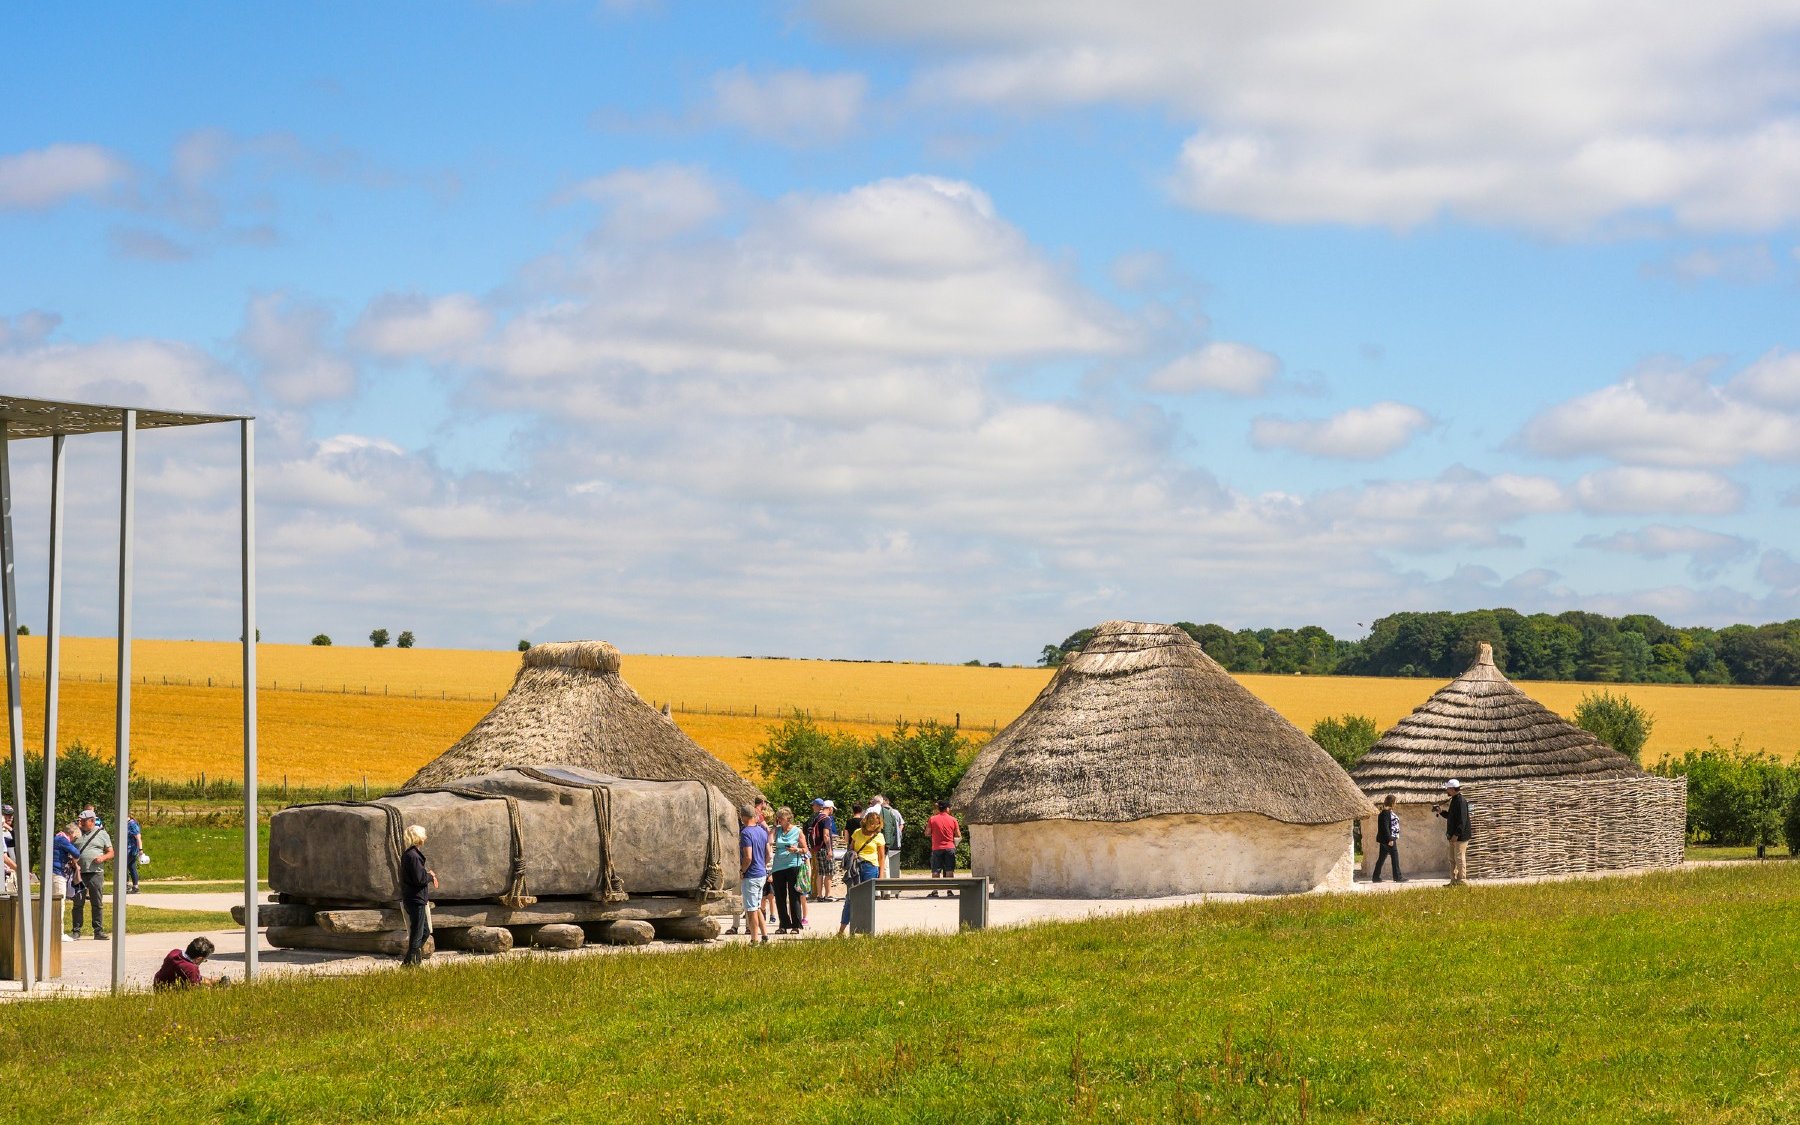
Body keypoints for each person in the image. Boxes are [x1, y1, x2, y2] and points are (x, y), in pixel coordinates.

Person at [836, 810, 886, 936]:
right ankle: (842, 930)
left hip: (871, 868)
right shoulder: (857, 833)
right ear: (866, 822)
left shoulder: (879, 836)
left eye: (877, 823)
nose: (874, 826)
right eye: (872, 823)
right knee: (850, 899)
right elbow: (851, 849)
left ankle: (865, 931)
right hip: (856, 867)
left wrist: (881, 875)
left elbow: (881, 857)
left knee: (867, 900)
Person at [399, 824, 437, 966]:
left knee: (425, 931)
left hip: (414, 898)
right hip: (416, 899)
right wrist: (429, 876)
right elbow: (419, 879)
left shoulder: (410, 854)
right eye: (424, 835)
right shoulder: (413, 856)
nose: (425, 837)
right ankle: (409, 963)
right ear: (419, 837)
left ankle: (412, 960)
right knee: (417, 933)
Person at [72, 808, 113, 940]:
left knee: (97, 902)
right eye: (80, 821)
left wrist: (102, 858)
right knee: (78, 903)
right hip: (79, 873)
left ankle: (98, 931)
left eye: (84, 821)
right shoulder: (76, 833)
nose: (82, 823)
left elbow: (111, 852)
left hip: (96, 873)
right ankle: (76, 930)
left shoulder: (102, 834)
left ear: (92, 821)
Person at [768, 806, 809, 934]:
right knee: (780, 897)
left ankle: (796, 925)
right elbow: (770, 841)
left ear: (788, 818)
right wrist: (775, 826)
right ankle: (783, 925)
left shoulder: (797, 831)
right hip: (778, 866)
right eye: (778, 817)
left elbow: (805, 849)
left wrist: (796, 849)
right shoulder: (777, 830)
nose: (779, 819)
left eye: (781, 817)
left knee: (794, 896)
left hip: (793, 865)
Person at [738, 803, 770, 944]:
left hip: (751, 875)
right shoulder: (762, 831)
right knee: (757, 906)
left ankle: (754, 939)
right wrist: (762, 865)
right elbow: (769, 854)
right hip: (761, 873)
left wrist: (742, 871)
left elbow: (748, 857)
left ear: (743, 817)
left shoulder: (745, 833)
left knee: (750, 909)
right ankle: (765, 936)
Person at [1435, 779, 1473, 885]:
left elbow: (1462, 820)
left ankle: (1462, 880)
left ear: (1452, 789)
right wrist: (1441, 812)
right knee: (1452, 859)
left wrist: (1456, 834)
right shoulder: (1454, 799)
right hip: (1452, 836)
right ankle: (1453, 881)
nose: (1446, 790)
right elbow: (1451, 816)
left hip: (1460, 837)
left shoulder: (1461, 801)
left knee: (1459, 858)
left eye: (1447, 788)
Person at [154, 936, 226, 989]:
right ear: (198, 959)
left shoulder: (174, 952)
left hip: (158, 985)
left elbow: (192, 976)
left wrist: (211, 982)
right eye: (204, 960)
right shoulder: (191, 969)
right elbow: (193, 993)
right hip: (168, 993)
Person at [926, 801, 961, 897]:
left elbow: (927, 833)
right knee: (949, 869)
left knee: (936, 870)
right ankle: (949, 891)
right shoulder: (953, 819)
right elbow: (958, 834)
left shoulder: (932, 819)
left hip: (937, 847)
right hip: (950, 847)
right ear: (946, 809)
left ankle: (935, 891)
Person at [807, 799, 836, 902]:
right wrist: (829, 850)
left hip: (817, 848)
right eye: (832, 809)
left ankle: (820, 895)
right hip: (824, 848)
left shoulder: (817, 817)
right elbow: (826, 835)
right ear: (830, 808)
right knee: (829, 872)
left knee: (820, 872)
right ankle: (828, 895)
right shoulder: (826, 819)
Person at [1372, 795, 1405, 883]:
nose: (1396, 804)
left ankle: (1375, 877)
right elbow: (1385, 827)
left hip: (1388, 839)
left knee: (1381, 858)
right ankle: (1397, 877)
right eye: (1395, 802)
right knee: (1395, 858)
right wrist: (1390, 839)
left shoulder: (1386, 812)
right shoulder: (1386, 813)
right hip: (1389, 839)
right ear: (1392, 802)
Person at [876, 795, 905, 887]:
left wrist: (896, 833)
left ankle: (887, 887)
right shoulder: (894, 812)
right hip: (893, 842)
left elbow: (901, 824)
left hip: (887, 842)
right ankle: (890, 888)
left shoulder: (891, 812)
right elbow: (901, 824)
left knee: (886, 865)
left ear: (886, 801)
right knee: (889, 866)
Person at [125, 815, 143, 893]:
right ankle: (135, 887)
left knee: (122, 867)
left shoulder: (132, 824)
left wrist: (140, 849)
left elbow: (138, 837)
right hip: (127, 849)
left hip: (130, 849)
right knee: (131, 867)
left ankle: (126, 885)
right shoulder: (126, 824)